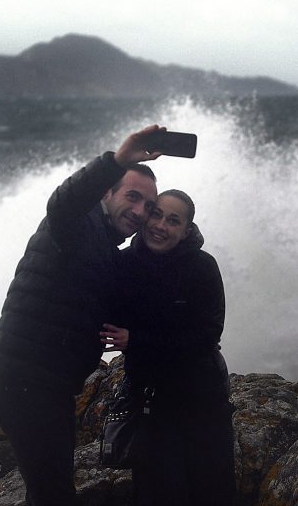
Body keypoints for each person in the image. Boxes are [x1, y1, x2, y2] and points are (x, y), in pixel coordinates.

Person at [0, 125, 166, 506]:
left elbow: (131, 308)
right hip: (26, 379)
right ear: (106, 192)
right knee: (55, 494)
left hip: (49, 384)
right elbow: (63, 201)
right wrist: (116, 160)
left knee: (50, 490)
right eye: (132, 197)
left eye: (148, 208)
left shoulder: (106, 252)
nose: (139, 212)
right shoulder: (77, 224)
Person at [101, 190, 235, 505]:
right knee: (157, 491)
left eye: (173, 221)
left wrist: (137, 341)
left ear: (186, 230)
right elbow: (98, 309)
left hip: (202, 399)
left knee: (212, 491)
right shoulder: (122, 263)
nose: (160, 225)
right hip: (149, 401)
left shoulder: (202, 267)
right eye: (156, 215)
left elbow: (207, 335)